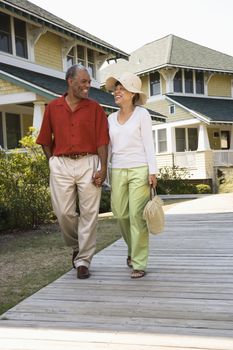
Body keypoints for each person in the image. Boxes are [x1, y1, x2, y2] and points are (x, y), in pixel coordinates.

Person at [36, 64, 109, 279]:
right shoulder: (53, 107)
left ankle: (84, 260)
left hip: (88, 162)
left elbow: (102, 141)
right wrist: (53, 163)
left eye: (89, 82)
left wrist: (103, 168)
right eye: (83, 82)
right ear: (70, 81)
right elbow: (44, 140)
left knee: (89, 213)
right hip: (61, 164)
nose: (88, 86)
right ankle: (77, 245)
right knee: (64, 213)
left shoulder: (95, 108)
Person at [106, 72, 158, 279]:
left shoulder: (142, 114)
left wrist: (152, 171)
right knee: (119, 213)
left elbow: (149, 144)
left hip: (139, 169)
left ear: (133, 93)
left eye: (122, 88)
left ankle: (139, 262)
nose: (116, 91)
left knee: (137, 216)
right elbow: (109, 147)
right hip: (118, 169)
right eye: (116, 88)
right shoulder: (110, 118)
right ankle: (132, 249)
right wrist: (103, 169)